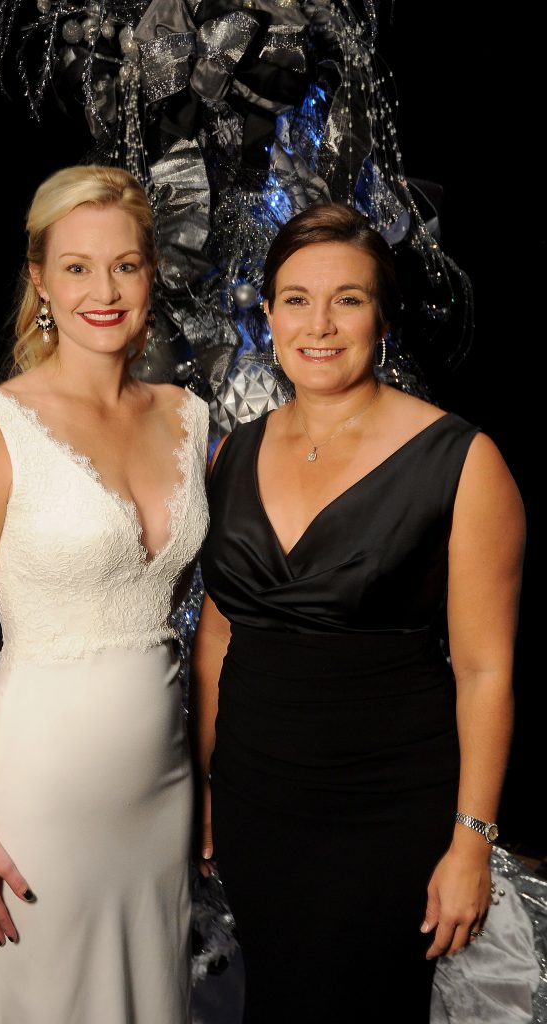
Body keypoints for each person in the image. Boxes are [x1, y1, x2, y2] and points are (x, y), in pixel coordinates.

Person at [190, 203, 524, 1023]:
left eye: (348, 298)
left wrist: (471, 840)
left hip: (387, 810)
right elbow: (219, 633)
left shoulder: (463, 461)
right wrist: (202, 788)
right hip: (256, 800)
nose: (320, 324)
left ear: (383, 315)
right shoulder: (233, 452)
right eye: (296, 299)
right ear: (267, 315)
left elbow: (486, 670)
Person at [0, 165, 209, 1024]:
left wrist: (207, 785)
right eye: (77, 267)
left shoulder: (190, 416)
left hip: (162, 788)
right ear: (40, 279)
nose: (104, 290)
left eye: (125, 265)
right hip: (38, 791)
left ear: (151, 273)